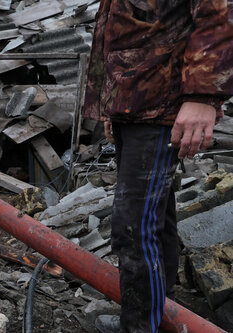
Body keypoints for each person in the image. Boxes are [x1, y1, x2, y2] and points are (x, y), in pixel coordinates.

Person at [83, 1, 233, 332]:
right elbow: (127, 33)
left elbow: (220, 17)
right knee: (155, 220)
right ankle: (160, 317)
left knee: (133, 228)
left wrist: (203, 97)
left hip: (162, 108)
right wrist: (113, 105)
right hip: (137, 106)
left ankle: (138, 327)